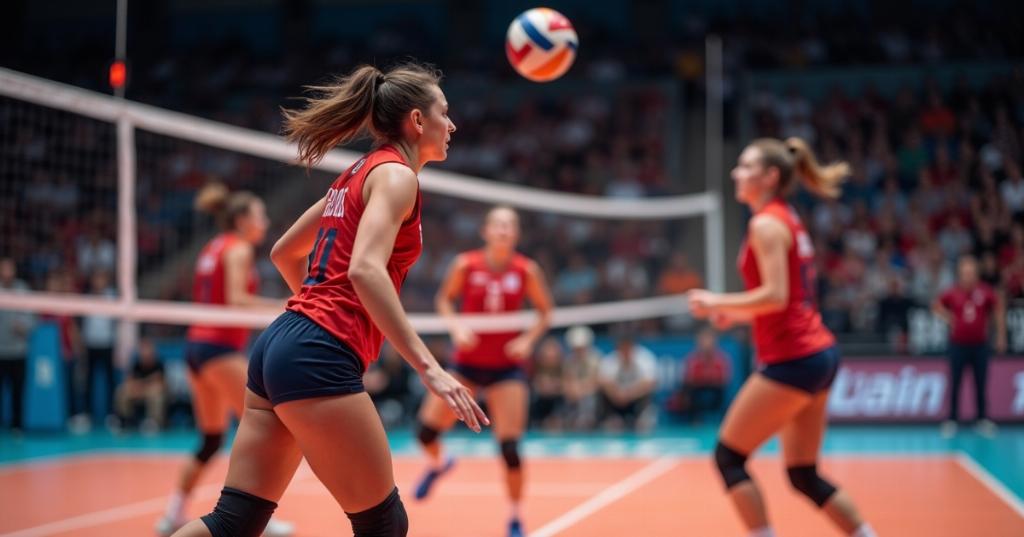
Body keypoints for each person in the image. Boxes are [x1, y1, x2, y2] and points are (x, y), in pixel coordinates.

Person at [171, 61, 487, 537]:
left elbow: (283, 253)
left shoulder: (356, 172)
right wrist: (429, 367)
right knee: (384, 525)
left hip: (280, 344)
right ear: (418, 121)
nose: (453, 124)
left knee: (233, 523)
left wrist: (318, 314)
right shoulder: (397, 177)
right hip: (317, 351)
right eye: (445, 112)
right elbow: (364, 268)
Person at [688, 137, 876, 537]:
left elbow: (776, 296)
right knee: (804, 474)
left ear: (770, 176)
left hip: (793, 357)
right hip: (818, 353)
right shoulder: (785, 217)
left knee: (728, 457)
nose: (735, 173)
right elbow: (785, 299)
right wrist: (733, 313)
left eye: (745, 166)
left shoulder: (766, 224)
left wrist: (713, 300)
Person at [157, 183, 291, 536]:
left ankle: (173, 514)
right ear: (243, 219)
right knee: (263, 429)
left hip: (196, 349)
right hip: (218, 349)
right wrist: (287, 307)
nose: (264, 222)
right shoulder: (239, 248)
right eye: (260, 215)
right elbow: (235, 299)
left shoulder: (213, 247)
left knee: (211, 440)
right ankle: (255, 514)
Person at [414, 205, 553, 537]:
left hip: (507, 368)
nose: (503, 230)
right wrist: (456, 327)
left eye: (510, 226)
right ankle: (439, 464)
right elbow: (444, 300)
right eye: (498, 225)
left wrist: (527, 341)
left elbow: (546, 312)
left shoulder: (526, 270)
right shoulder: (466, 264)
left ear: (516, 234)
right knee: (425, 434)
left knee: (510, 448)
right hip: (466, 365)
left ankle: (515, 516)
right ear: (485, 231)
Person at [933, 255, 1007, 438]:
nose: (967, 276)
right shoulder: (953, 292)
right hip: (957, 345)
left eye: (971, 272)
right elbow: (936, 306)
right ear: (960, 274)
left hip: (980, 345)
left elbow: (998, 310)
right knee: (955, 382)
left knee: (980, 382)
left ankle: (982, 419)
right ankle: (952, 419)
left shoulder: (985, 291)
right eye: (964, 273)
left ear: (976, 274)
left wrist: (1000, 336)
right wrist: (949, 318)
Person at [597, 334, 657, 432]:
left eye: (628, 348)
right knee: (602, 393)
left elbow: (650, 382)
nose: (625, 352)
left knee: (648, 393)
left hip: (636, 398)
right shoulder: (610, 360)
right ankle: (612, 418)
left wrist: (629, 393)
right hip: (616, 399)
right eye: (622, 348)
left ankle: (643, 417)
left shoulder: (645, 358)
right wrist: (617, 393)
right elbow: (604, 382)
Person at [0, 257, 34, 432]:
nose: (7, 273)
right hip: (0, 350)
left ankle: (17, 426)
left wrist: (23, 327)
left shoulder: (22, 290)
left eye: (9, 269)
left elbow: (31, 320)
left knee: (17, 391)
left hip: (18, 350)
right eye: (3, 269)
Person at [670, 328, 730, 423]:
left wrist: (707, 379)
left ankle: (723, 422)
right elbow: (689, 378)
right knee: (689, 392)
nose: (706, 343)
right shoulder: (692, 359)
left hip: (715, 390)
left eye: (709, 339)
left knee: (721, 394)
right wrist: (705, 379)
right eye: (704, 340)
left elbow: (724, 379)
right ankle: (695, 420)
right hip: (697, 390)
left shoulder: (722, 359)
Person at [115, 337, 167, 432]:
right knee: (123, 391)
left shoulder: (159, 364)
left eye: (148, 350)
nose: (146, 353)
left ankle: (154, 422)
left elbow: (161, 383)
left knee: (156, 394)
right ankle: (124, 420)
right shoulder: (136, 365)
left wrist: (143, 384)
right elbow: (129, 381)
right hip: (138, 391)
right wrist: (143, 384)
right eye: (143, 351)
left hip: (151, 392)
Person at [561, 325, 601, 431]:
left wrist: (581, 390)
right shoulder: (569, 360)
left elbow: (596, 382)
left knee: (589, 399)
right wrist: (572, 390)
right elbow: (567, 380)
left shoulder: (596, 358)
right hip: (574, 394)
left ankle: (588, 421)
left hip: (590, 394)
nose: (578, 350)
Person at [529, 336, 565, 430]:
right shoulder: (535, 367)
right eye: (547, 353)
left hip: (558, 402)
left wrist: (556, 386)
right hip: (539, 402)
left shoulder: (564, 367)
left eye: (552, 352)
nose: (550, 356)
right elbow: (535, 384)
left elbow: (569, 386)